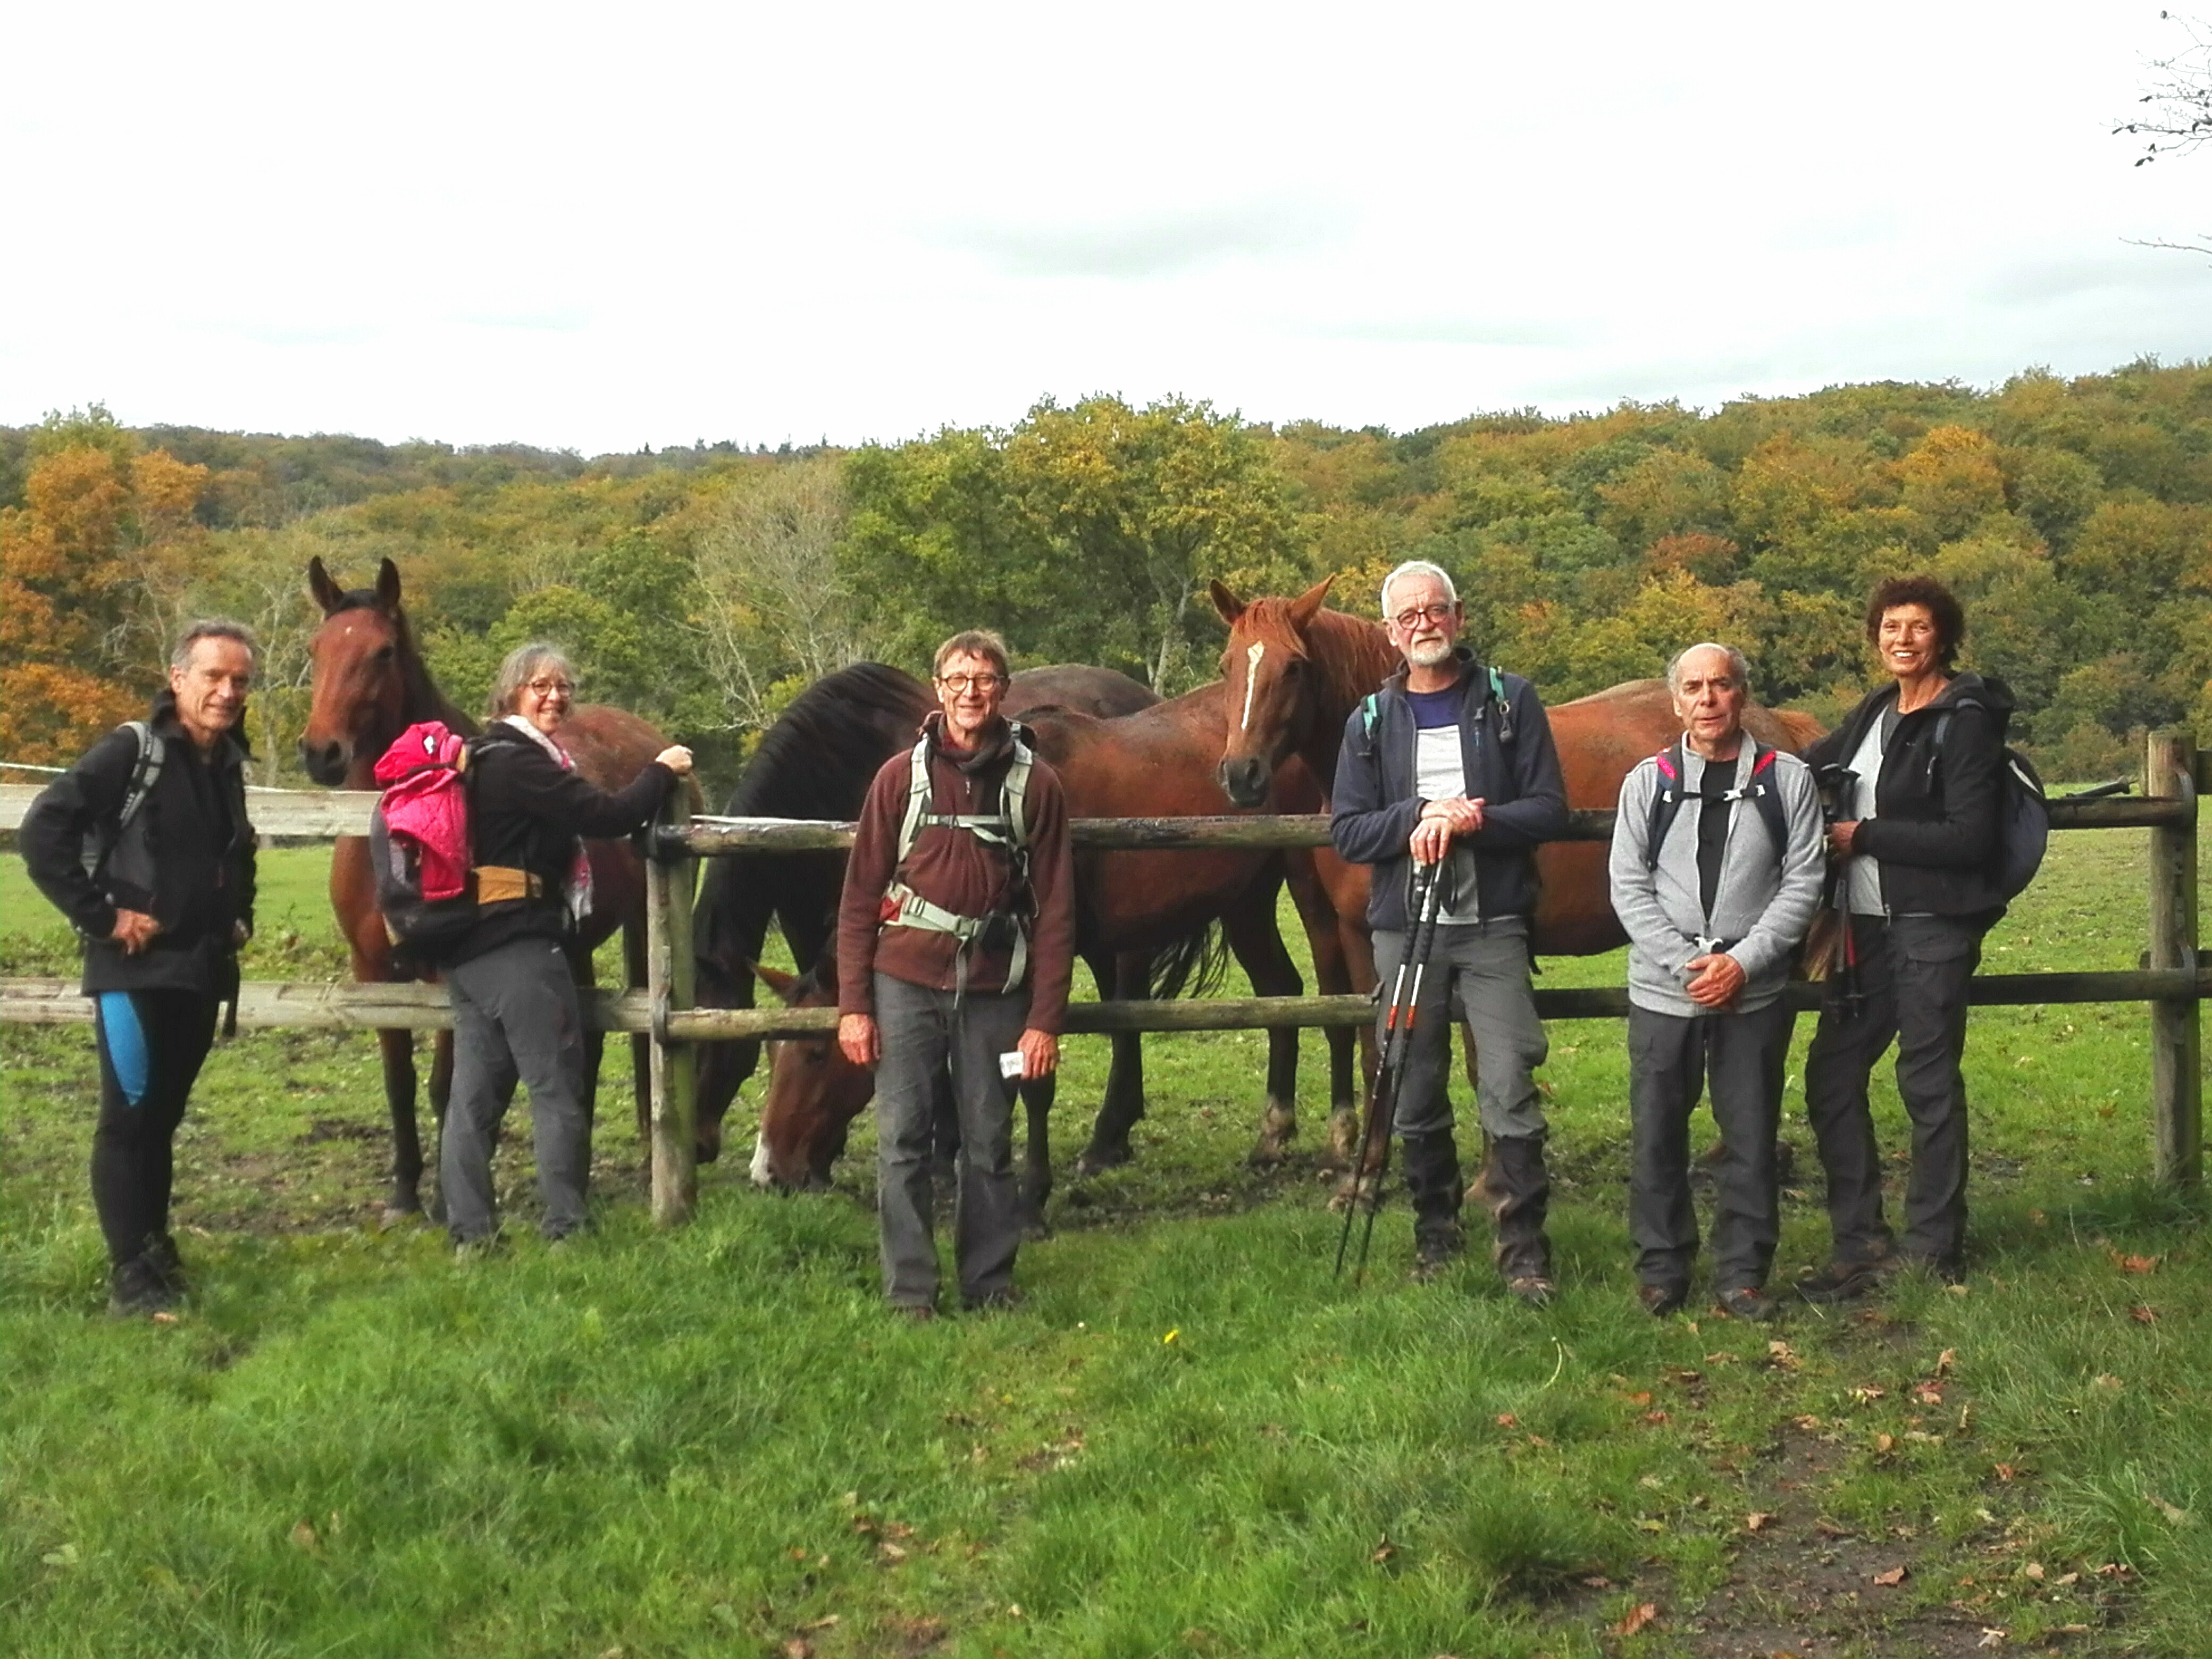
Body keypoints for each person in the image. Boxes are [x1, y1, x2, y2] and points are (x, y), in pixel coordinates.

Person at [1330, 560, 1569, 1302]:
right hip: (1405, 932)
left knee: (1507, 1081)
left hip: (1493, 925)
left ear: (1459, 617)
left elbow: (1549, 809)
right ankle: (1435, 1234)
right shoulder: (1369, 721)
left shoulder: (1510, 701)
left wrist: (1477, 818)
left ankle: (1524, 1250)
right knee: (1412, 1079)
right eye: (1409, 616)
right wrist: (1417, 818)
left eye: (1436, 610)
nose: (1424, 624)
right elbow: (1349, 831)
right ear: (1389, 633)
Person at [20, 621, 260, 1316]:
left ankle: (155, 1251)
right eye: (214, 676)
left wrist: (238, 914)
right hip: (133, 970)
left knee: (161, 1116)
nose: (227, 691)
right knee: (128, 1118)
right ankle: (131, 1276)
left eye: (239, 680)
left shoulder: (225, 764)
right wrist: (102, 917)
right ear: (178, 677)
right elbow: (44, 831)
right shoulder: (136, 750)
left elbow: (235, 854)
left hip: (198, 970)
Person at [835, 629, 1076, 1320]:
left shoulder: (1037, 785)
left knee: (988, 1140)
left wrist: (1043, 1021)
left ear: (1005, 690)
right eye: (958, 680)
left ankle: (989, 1284)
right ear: (938, 689)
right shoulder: (898, 779)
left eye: (986, 680)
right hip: (904, 985)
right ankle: (911, 1291)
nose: (972, 692)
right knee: (903, 1142)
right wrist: (855, 1005)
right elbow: (858, 899)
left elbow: (1058, 911)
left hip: (999, 990)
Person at [1797, 576, 2015, 1300]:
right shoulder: (1876, 711)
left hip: (1933, 923)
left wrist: (1864, 835)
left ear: (1942, 637)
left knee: (1926, 1080)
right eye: (1891, 626)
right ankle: (1860, 1239)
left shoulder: (1966, 718)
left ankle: (1933, 1247)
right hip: (1864, 928)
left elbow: (1970, 837)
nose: (1902, 639)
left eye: (1918, 627)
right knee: (1832, 1075)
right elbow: (1806, 765)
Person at [438, 643, 692, 1255]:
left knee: (473, 1098)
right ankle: (566, 1230)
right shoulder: (520, 764)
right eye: (540, 686)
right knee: (556, 1089)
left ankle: (471, 1237)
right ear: (510, 694)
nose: (555, 696)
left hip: (469, 948)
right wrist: (661, 770)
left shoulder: (480, 757)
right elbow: (606, 815)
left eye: (563, 686)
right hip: (521, 945)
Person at [1608, 643, 1824, 1321]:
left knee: (1750, 1137)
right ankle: (1662, 1269)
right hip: (1662, 993)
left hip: (1751, 993)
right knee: (1656, 1135)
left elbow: (1804, 880)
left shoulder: (1787, 780)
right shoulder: (1647, 781)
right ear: (1675, 702)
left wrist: (1744, 962)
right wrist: (1685, 965)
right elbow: (1626, 885)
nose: (1707, 699)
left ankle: (1742, 1276)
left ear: (1742, 697)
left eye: (1721, 686)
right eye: (1694, 688)